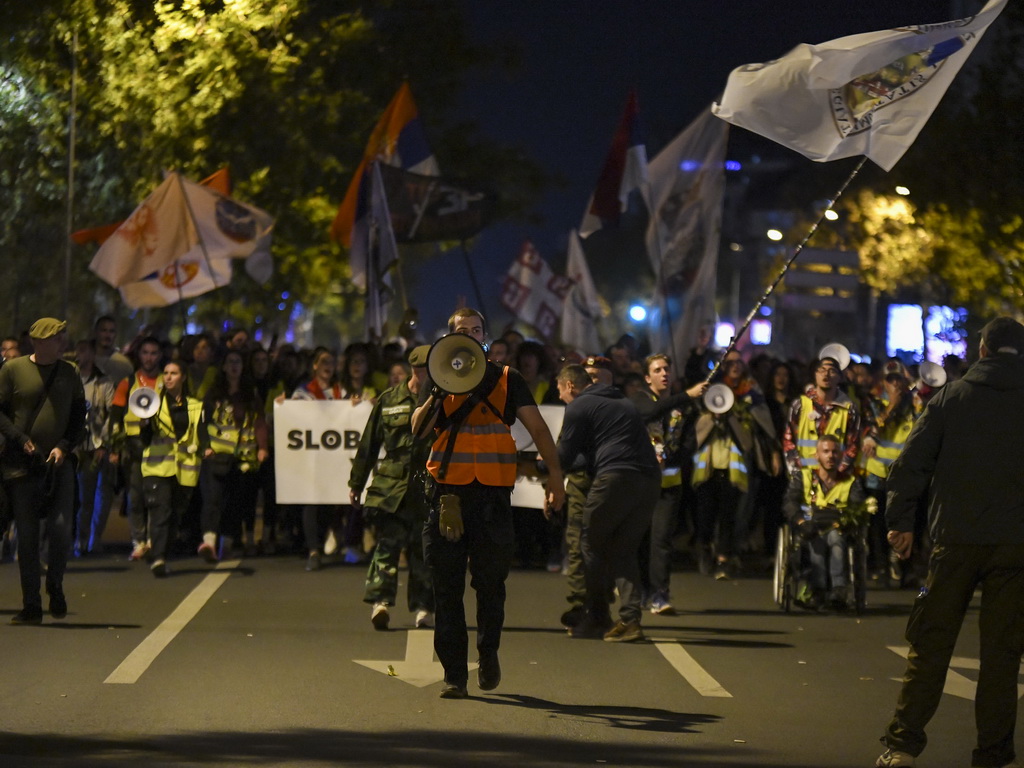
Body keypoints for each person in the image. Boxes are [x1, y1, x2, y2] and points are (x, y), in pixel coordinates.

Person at [876, 317, 1024, 768]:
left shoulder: (951, 398)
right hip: (1016, 546)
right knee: (1002, 657)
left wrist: (901, 522)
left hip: (954, 541)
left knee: (931, 642)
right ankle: (993, 754)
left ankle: (903, 745)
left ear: (982, 349)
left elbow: (911, 463)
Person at [412, 308, 565, 699]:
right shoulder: (439, 376)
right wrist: (438, 391)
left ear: (485, 337)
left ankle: (488, 652)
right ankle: (454, 675)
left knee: (491, 584)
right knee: (446, 588)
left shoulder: (507, 379)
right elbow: (418, 429)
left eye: (476, 330)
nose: (470, 335)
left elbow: (538, 428)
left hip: (492, 498)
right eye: (461, 331)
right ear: (449, 339)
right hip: (448, 496)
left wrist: (556, 478)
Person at [556, 364, 660, 642]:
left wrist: (537, 464)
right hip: (649, 481)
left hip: (615, 478)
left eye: (561, 393)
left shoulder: (578, 407)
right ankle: (630, 620)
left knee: (589, 542)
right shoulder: (621, 403)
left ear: (570, 387)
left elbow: (563, 458)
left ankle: (598, 616)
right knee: (623, 549)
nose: (561, 400)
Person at [0, 318, 86, 624]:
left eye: (63, 335)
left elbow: (78, 417)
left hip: (57, 464)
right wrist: (21, 440)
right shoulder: (13, 370)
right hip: (22, 466)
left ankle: (55, 583)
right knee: (27, 536)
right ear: (39, 342)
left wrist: (63, 446)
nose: (62, 341)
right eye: (56, 337)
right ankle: (32, 605)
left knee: (62, 528)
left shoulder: (69, 372)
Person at [350, 345, 434, 631]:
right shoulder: (389, 400)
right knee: (387, 545)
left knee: (423, 551)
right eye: (423, 369)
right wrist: (356, 484)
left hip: (427, 486)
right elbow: (369, 445)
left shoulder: (442, 401)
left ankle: (424, 608)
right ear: (414, 369)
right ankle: (380, 602)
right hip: (392, 487)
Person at [630, 353, 703, 614]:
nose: (664, 374)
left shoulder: (684, 408)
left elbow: (689, 442)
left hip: (669, 484)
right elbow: (652, 411)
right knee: (640, 538)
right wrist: (686, 394)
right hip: (641, 484)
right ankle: (640, 590)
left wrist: (673, 457)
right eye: (658, 370)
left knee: (661, 540)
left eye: (667, 369)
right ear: (648, 377)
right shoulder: (640, 399)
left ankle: (660, 593)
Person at [783, 435, 870, 611]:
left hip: (838, 527)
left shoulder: (850, 482)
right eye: (826, 452)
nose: (830, 456)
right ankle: (818, 589)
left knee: (835, 538)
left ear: (841, 456)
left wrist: (849, 522)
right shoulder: (804, 477)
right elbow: (789, 503)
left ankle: (838, 590)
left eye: (834, 452)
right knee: (817, 540)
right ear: (817, 455)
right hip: (810, 527)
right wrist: (800, 522)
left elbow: (857, 507)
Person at [199, 349, 269, 561]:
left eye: (238, 362)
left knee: (233, 502)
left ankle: (226, 543)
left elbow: (259, 422)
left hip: (241, 458)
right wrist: (205, 446)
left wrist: (263, 446)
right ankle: (209, 542)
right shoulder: (213, 394)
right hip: (216, 456)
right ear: (223, 367)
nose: (234, 366)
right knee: (213, 499)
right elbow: (202, 422)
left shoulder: (250, 394)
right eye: (230, 362)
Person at [139, 359, 205, 577]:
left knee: (175, 515)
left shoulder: (195, 405)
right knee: (161, 511)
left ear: (183, 377)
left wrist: (207, 448)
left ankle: (162, 555)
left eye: (173, 373)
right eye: (165, 372)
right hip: (157, 467)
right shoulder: (152, 403)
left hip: (184, 470)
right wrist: (145, 424)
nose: (168, 377)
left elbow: (202, 434)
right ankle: (158, 558)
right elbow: (145, 439)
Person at [110, 336, 164, 561]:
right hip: (132, 448)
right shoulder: (127, 382)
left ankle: (153, 539)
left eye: (153, 353)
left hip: (160, 448)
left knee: (157, 497)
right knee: (135, 496)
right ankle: (138, 541)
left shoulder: (166, 380)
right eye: (145, 353)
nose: (149, 357)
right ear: (139, 356)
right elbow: (115, 417)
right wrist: (115, 447)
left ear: (159, 356)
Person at [74, 338, 116, 556]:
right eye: (77, 351)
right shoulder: (71, 380)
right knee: (84, 497)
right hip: (78, 446)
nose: (79, 355)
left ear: (91, 354)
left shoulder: (104, 382)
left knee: (104, 494)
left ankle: (95, 538)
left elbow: (111, 416)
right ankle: (81, 540)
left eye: (83, 351)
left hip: (99, 444)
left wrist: (105, 443)